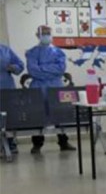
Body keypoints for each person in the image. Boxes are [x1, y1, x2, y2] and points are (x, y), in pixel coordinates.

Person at [25, 25, 76, 153]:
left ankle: (63, 142)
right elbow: (33, 71)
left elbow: (60, 69)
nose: (47, 36)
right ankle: (37, 144)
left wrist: (42, 68)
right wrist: (50, 70)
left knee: (59, 114)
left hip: (56, 87)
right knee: (37, 115)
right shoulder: (32, 52)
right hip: (38, 88)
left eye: (48, 33)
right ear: (38, 35)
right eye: (44, 33)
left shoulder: (58, 52)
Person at [0, 43, 25, 154]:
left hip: (6, 88)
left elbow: (20, 65)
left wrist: (13, 67)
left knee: (8, 117)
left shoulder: (5, 50)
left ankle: (10, 144)